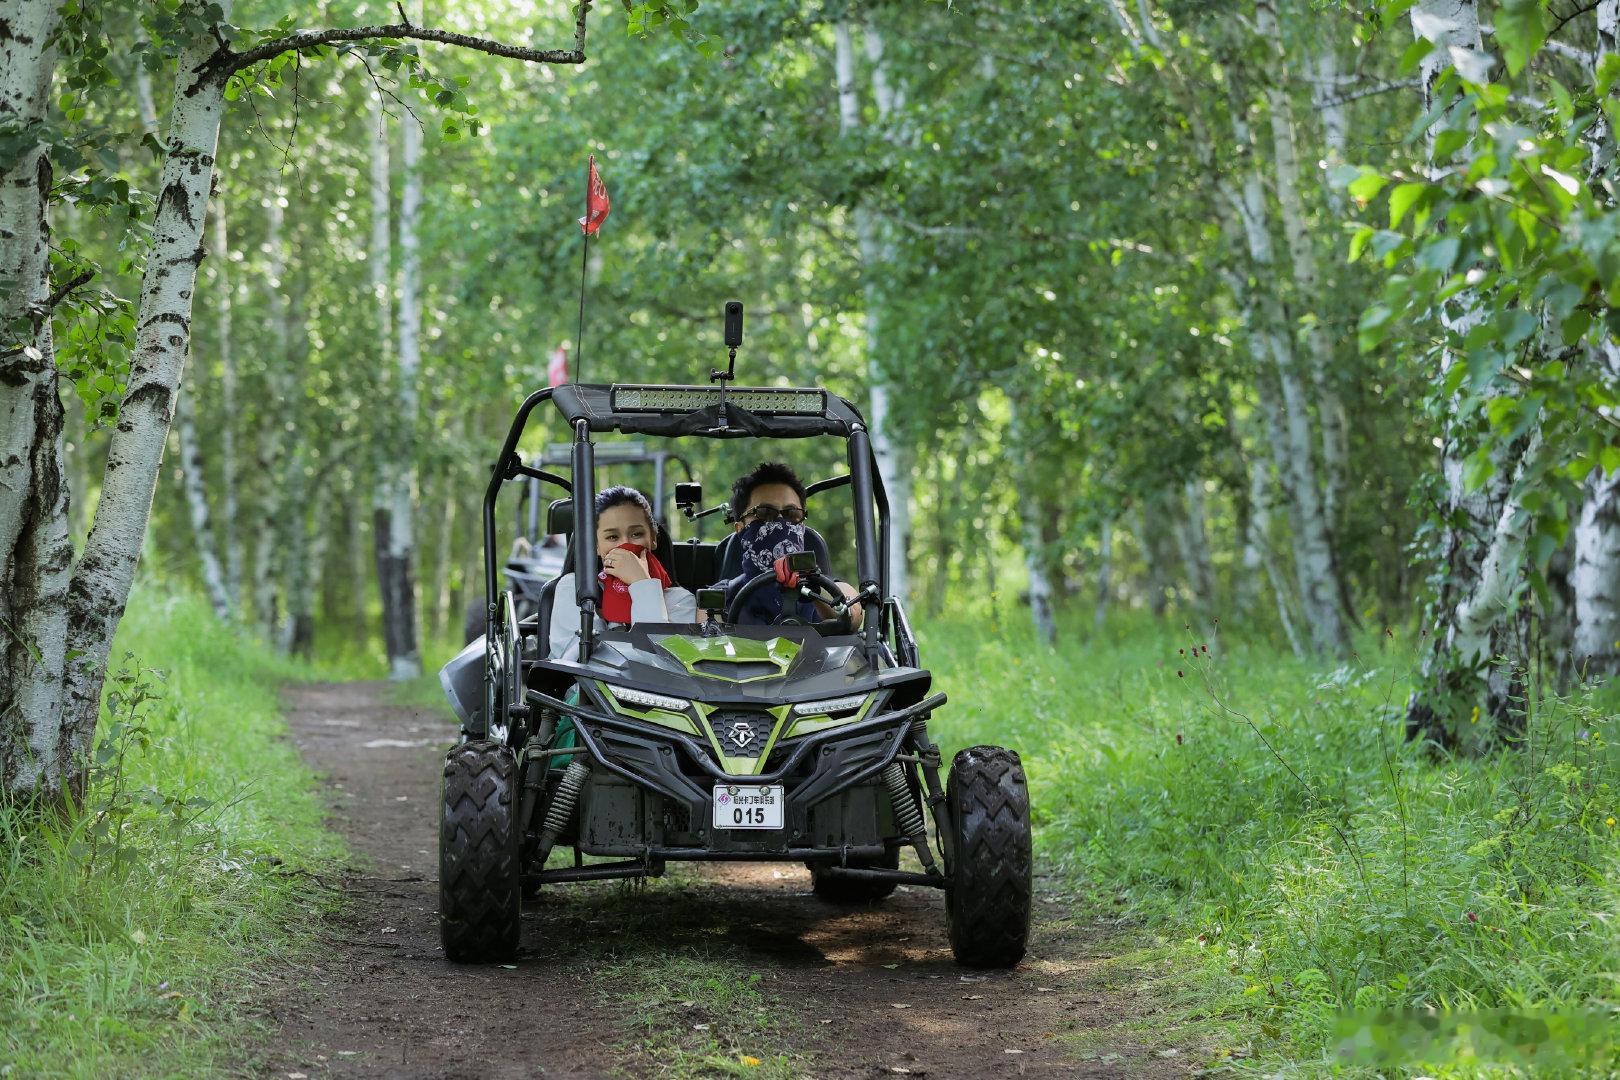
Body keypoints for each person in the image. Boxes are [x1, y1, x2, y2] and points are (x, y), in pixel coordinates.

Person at [549, 485, 697, 659]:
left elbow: (660, 660)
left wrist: (642, 584)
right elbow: (582, 661)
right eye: (612, 537)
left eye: (636, 534)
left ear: (653, 539)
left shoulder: (680, 600)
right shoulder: (575, 588)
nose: (625, 545)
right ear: (596, 546)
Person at [725, 462, 863, 627]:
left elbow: (853, 615)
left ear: (801, 526)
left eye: (792, 514)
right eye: (765, 513)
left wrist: (814, 585)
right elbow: (706, 640)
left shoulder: (830, 588)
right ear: (740, 528)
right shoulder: (721, 597)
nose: (781, 522)